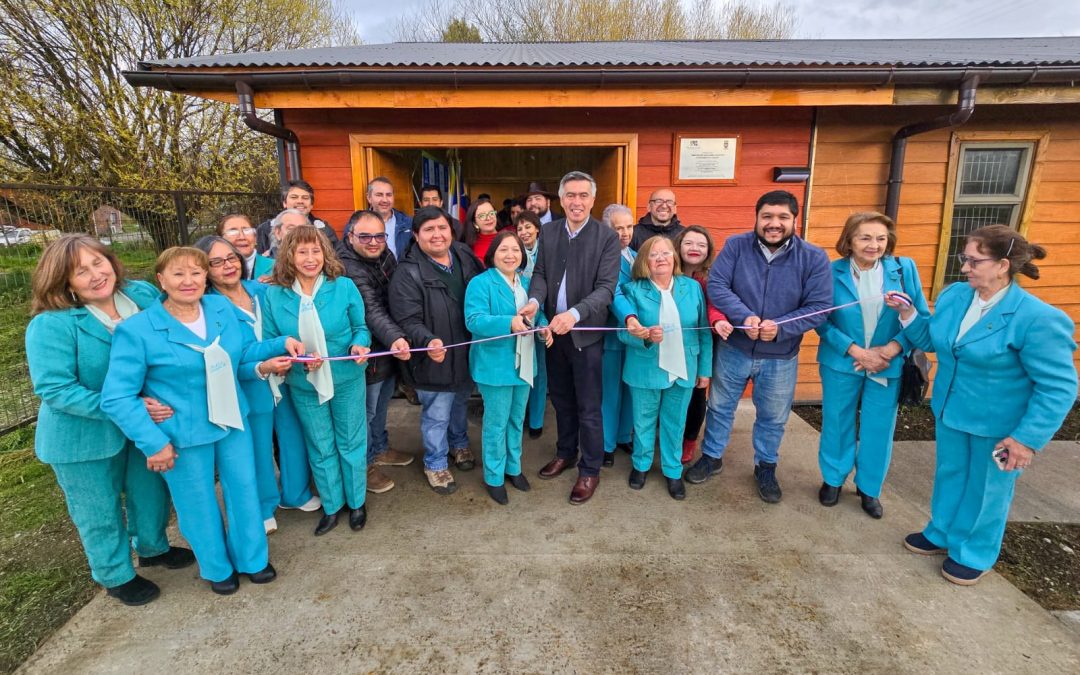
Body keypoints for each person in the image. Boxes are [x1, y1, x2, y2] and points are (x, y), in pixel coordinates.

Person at [101, 246, 300, 595]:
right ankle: (216, 567)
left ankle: (252, 559)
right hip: (182, 432)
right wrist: (154, 442)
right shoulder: (139, 330)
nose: (188, 281)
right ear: (161, 280)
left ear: (205, 276)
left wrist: (279, 344)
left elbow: (239, 357)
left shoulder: (220, 307)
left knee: (243, 489)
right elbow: (117, 396)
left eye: (196, 272)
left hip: (231, 421)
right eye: (178, 274)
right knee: (197, 501)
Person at [887, 225, 1077, 585]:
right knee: (950, 474)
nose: (965, 268)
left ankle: (973, 551)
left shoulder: (1037, 318)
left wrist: (1026, 440)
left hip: (1000, 425)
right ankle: (941, 531)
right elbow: (932, 339)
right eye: (964, 259)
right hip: (951, 410)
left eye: (974, 261)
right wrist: (909, 314)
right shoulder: (956, 295)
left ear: (1003, 265)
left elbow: (1059, 386)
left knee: (988, 488)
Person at [25, 235, 194, 606]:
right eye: (80, 271)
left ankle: (153, 547)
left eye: (98, 263)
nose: (95, 275)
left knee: (150, 492)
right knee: (98, 509)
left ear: (111, 262)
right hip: (84, 436)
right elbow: (56, 389)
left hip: (143, 428)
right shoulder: (52, 324)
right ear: (63, 281)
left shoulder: (143, 296)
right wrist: (128, 407)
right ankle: (115, 574)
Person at [686, 190, 832, 503]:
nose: (773, 224)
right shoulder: (737, 246)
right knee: (720, 407)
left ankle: (765, 465)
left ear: (795, 219)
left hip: (781, 355)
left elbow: (819, 306)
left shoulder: (814, 257)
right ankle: (712, 456)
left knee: (773, 416)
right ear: (757, 217)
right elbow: (718, 286)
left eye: (782, 217)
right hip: (735, 348)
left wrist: (781, 327)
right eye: (767, 216)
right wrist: (744, 317)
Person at [815, 212, 930, 519]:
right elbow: (820, 320)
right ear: (849, 241)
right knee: (837, 421)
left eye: (880, 238)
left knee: (878, 428)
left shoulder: (903, 270)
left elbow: (919, 318)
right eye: (865, 237)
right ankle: (833, 479)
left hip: (888, 364)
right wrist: (855, 351)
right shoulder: (829, 271)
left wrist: (891, 350)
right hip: (843, 361)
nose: (874, 245)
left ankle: (869, 488)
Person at [194, 236, 311, 534]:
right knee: (257, 446)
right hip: (248, 382)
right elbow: (222, 359)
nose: (227, 266)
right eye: (216, 262)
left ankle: (295, 493)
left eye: (231, 258)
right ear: (205, 270)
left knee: (292, 434)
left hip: (284, 375)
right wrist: (262, 367)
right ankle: (263, 505)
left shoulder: (261, 290)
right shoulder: (208, 307)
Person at [262, 226, 372, 536]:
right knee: (320, 445)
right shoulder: (275, 294)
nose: (311, 258)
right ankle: (332, 506)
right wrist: (290, 355)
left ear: (325, 254)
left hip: (346, 377)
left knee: (351, 442)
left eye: (316, 251)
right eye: (302, 252)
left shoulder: (344, 286)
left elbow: (361, 328)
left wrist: (359, 345)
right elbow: (272, 339)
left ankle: (357, 503)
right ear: (289, 257)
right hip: (304, 381)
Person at [521, 171, 620, 505]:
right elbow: (540, 275)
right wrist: (534, 303)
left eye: (583, 195)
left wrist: (574, 315)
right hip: (554, 335)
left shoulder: (606, 237)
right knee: (561, 400)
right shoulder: (548, 232)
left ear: (593, 200)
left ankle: (590, 469)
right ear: (560, 200)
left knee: (588, 407)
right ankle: (566, 453)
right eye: (570, 196)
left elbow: (606, 289)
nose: (576, 202)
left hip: (585, 336)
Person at [389, 207, 484, 495]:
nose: (437, 234)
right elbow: (406, 319)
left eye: (442, 227)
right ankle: (435, 462)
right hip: (433, 355)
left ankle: (459, 444)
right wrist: (428, 340)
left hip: (465, 349)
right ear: (416, 236)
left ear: (451, 230)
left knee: (460, 402)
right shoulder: (407, 272)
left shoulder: (464, 255)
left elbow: (483, 289)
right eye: (428, 229)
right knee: (437, 412)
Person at [618, 236, 712, 500]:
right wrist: (644, 336)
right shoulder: (633, 290)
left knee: (675, 422)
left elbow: (704, 331)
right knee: (644, 421)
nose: (661, 258)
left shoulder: (692, 288)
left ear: (675, 258)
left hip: (683, 367)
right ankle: (641, 465)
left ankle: (672, 470)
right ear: (644, 261)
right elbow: (621, 334)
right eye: (654, 254)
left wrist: (704, 370)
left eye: (666, 253)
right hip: (645, 367)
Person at [464, 230, 553, 505]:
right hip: (495, 365)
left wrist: (544, 329)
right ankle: (494, 476)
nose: (511, 255)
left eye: (516, 250)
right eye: (504, 249)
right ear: (493, 254)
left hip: (525, 362)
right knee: (496, 423)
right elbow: (474, 320)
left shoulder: (526, 283)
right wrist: (508, 322)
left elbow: (538, 314)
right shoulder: (481, 283)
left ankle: (513, 468)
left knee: (517, 420)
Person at [337, 209, 415, 494]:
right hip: (366, 350)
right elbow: (371, 309)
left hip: (386, 347)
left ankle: (380, 449)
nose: (373, 241)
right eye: (365, 236)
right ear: (350, 237)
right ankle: (365, 464)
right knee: (365, 412)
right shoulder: (348, 265)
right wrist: (397, 337)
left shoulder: (386, 256)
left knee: (382, 404)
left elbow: (397, 294)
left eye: (379, 235)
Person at [673, 225, 732, 464]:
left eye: (701, 244)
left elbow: (713, 306)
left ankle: (689, 440)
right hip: (669, 341)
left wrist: (717, 320)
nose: (694, 248)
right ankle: (670, 436)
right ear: (679, 246)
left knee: (697, 393)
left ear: (708, 250)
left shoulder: (711, 278)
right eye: (688, 243)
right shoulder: (669, 272)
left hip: (700, 343)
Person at [599, 204, 636, 467]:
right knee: (610, 392)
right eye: (618, 227)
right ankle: (606, 444)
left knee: (631, 389)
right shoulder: (603, 257)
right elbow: (612, 293)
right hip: (613, 335)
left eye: (628, 227)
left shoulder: (638, 255)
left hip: (637, 338)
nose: (624, 233)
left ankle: (624, 435)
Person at [515, 210, 546, 438]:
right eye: (519, 228)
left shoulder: (547, 251)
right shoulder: (513, 252)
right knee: (521, 364)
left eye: (528, 227)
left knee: (540, 371)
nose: (524, 232)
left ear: (537, 228)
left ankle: (537, 420)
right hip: (520, 314)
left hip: (544, 314)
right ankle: (521, 415)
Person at [256, 179, 339, 254]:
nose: (300, 201)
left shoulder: (324, 229)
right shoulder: (265, 229)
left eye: (305, 198)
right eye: (294, 197)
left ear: (311, 205)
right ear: (284, 203)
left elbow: (336, 259)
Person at [368, 176, 413, 260]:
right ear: (369, 198)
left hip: (402, 272)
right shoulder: (357, 224)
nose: (385, 200)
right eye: (379, 195)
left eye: (389, 195)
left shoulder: (408, 223)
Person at [218, 214, 273, 280]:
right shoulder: (214, 271)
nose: (242, 237)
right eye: (233, 232)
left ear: (255, 238)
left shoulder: (276, 268)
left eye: (247, 231)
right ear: (221, 240)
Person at [459, 198, 500, 264]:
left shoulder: (507, 238)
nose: (488, 218)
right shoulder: (468, 244)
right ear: (474, 222)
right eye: (482, 215)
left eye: (491, 213)